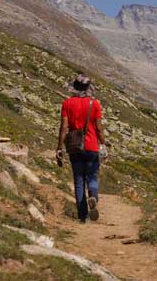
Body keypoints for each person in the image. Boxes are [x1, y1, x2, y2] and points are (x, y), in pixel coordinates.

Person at [56, 74, 107, 223]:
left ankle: (82, 217)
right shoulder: (94, 104)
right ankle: (93, 196)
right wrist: (103, 144)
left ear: (74, 87)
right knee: (92, 176)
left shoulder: (67, 103)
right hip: (92, 147)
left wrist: (59, 147)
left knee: (78, 180)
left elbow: (64, 127)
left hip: (74, 147)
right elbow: (98, 128)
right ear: (88, 88)